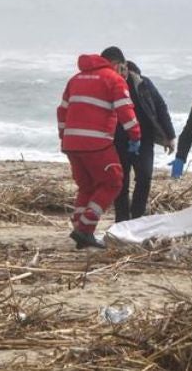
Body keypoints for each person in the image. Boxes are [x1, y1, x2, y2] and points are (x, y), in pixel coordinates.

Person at [57, 53, 141, 249]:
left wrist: (64, 136)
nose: (123, 72)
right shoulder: (113, 79)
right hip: (96, 143)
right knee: (113, 182)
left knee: (87, 186)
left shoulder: (75, 79)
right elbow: (125, 110)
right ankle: (85, 229)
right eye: (122, 68)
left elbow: (62, 111)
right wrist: (135, 136)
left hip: (72, 143)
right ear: (117, 64)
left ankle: (79, 227)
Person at [101, 47, 176, 222]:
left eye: (114, 67)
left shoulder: (142, 83)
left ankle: (137, 218)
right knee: (120, 181)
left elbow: (160, 107)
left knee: (144, 177)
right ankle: (121, 220)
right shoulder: (105, 85)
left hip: (143, 138)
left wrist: (170, 136)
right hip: (117, 139)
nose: (111, 72)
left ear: (124, 65)